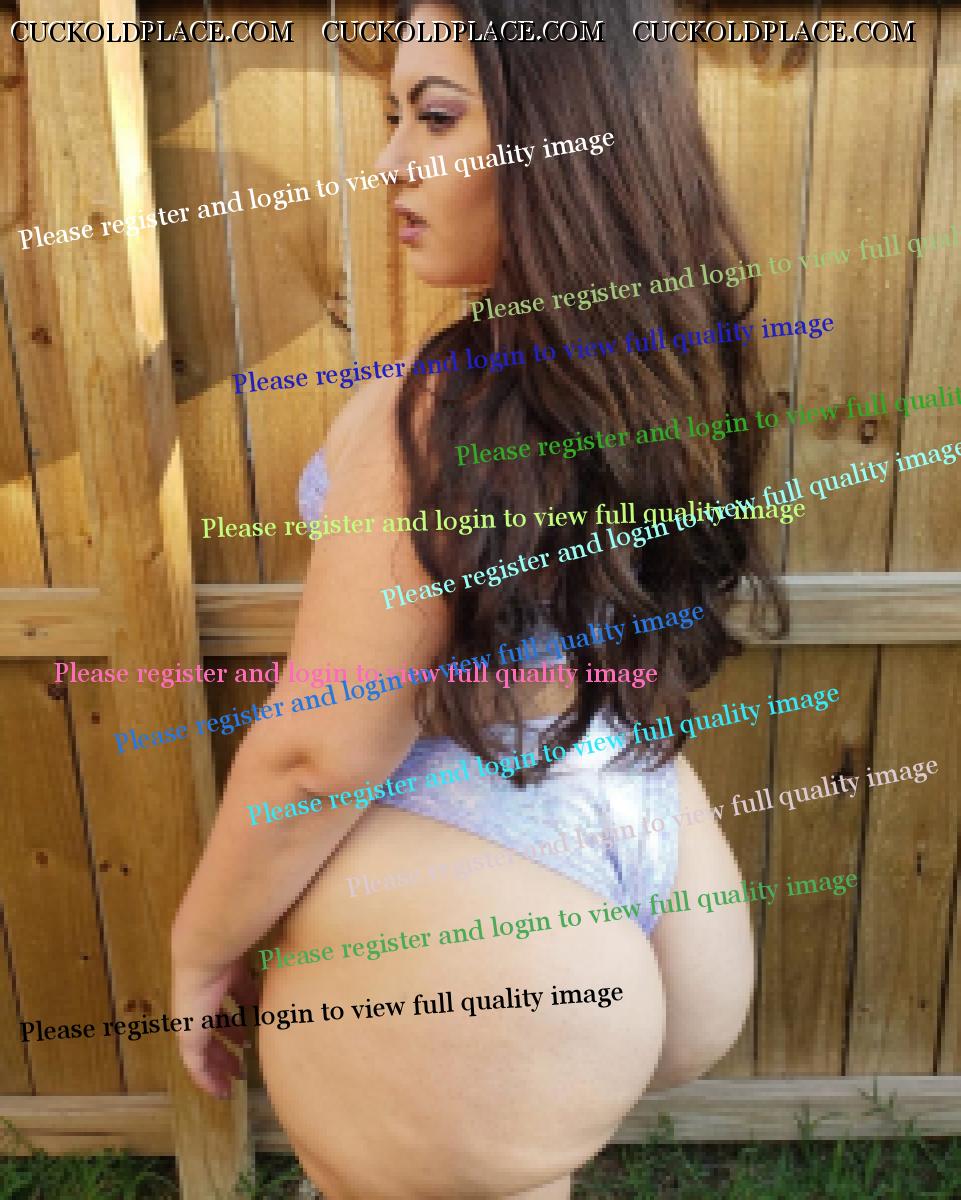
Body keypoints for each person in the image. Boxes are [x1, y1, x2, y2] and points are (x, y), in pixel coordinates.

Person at [173, 3, 779, 1195]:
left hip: (480, 914)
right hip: (649, 848)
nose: (392, 161)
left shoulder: (438, 411)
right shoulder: (667, 366)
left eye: (437, 117)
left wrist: (203, 944)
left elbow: (318, 752)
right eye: (393, 116)